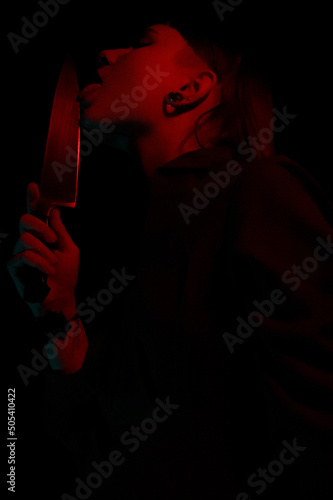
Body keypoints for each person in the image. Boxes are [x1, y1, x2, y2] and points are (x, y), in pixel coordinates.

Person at [7, 18, 333, 500]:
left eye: (141, 43)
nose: (107, 54)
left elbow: (321, 418)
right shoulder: (148, 260)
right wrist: (63, 318)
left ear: (190, 89)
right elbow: (98, 457)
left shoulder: (260, 193)